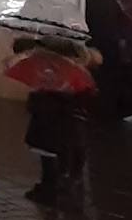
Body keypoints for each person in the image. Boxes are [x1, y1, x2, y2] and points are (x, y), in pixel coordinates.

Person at [18, 37, 97, 204]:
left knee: (49, 159)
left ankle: (50, 189)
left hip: (48, 127)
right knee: (68, 156)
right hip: (73, 127)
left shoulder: (46, 73)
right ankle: (67, 184)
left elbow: (38, 104)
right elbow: (87, 97)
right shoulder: (79, 72)